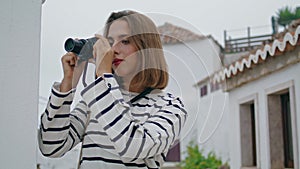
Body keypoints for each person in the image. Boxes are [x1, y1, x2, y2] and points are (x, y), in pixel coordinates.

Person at [38, 10, 187, 169]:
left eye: (125, 41)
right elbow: (50, 146)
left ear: (147, 48)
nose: (113, 50)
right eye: (109, 42)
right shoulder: (95, 102)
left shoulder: (170, 106)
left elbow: (133, 146)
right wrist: (68, 84)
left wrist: (103, 74)